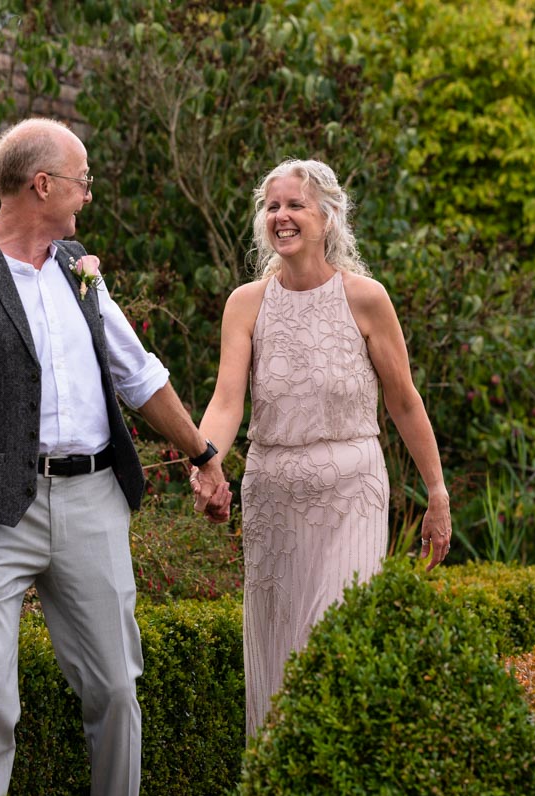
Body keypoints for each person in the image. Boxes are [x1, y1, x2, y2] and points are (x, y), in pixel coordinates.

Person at [0, 117, 231, 796]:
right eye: (82, 181)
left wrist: (202, 453)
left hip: (92, 501)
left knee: (118, 691)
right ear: (42, 184)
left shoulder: (76, 269)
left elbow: (138, 374)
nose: (88, 195)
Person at [194, 158, 452, 737]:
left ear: (328, 216)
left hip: (351, 492)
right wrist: (207, 461)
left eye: (294, 205)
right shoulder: (246, 303)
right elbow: (228, 400)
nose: (281, 217)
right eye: (272, 207)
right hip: (273, 497)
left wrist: (436, 492)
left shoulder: (366, 299)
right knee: (279, 653)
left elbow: (404, 401)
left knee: (332, 642)